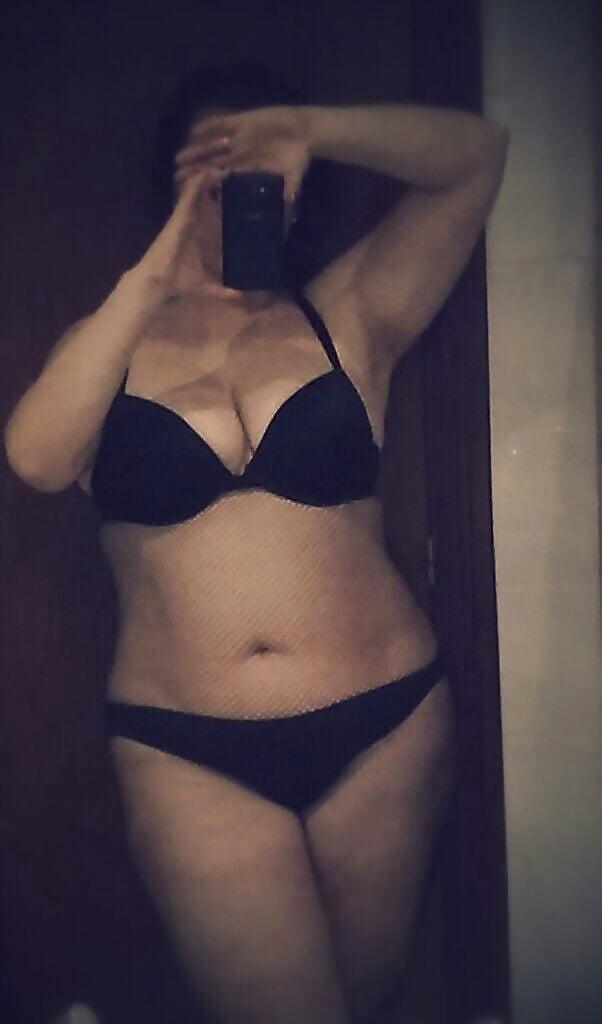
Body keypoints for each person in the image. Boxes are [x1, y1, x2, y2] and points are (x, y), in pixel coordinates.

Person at [4, 56, 509, 1024]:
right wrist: (158, 263)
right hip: (186, 751)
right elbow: (35, 456)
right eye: (217, 154)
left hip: (386, 727)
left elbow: (475, 157)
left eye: (261, 160)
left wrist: (311, 127)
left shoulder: (348, 313)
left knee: (365, 1005)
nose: (244, 175)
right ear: (174, 171)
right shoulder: (111, 340)